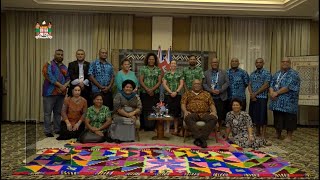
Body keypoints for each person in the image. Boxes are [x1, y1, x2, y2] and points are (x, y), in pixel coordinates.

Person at [269, 57, 300, 142]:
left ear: (290, 63)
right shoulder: (277, 73)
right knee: (278, 117)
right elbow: (271, 84)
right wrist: (271, 92)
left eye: (287, 62)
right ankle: (278, 133)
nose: (285, 63)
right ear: (281, 63)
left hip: (289, 102)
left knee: (289, 119)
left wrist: (276, 93)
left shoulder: (294, 74)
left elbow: (288, 87)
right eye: (283, 61)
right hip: (277, 102)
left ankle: (289, 136)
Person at [181, 79, 218, 148]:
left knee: (213, 118)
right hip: (192, 113)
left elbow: (211, 104)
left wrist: (214, 112)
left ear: (201, 85)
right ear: (192, 85)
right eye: (195, 84)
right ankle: (202, 139)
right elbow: (183, 104)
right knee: (187, 118)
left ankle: (200, 138)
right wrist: (185, 111)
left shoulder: (206, 94)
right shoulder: (187, 94)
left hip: (205, 113)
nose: (197, 85)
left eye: (198, 84)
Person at [42, 49, 70, 137]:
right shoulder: (48, 64)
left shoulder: (65, 67)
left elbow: (68, 78)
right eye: (58, 54)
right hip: (49, 93)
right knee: (48, 113)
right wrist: (60, 86)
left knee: (58, 112)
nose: (60, 56)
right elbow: (49, 77)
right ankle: (47, 131)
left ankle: (57, 129)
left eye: (62, 55)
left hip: (61, 93)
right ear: (54, 55)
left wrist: (64, 86)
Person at [203, 57, 229, 133]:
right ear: (211, 64)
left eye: (216, 62)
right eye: (213, 62)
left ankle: (219, 129)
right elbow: (204, 84)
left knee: (220, 114)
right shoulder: (206, 73)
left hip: (221, 97)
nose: (214, 64)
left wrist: (220, 90)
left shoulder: (224, 72)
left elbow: (227, 83)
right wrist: (211, 90)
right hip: (210, 97)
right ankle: (210, 128)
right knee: (210, 113)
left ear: (218, 63)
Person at [248, 58, 272, 138]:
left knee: (262, 116)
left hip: (262, 97)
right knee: (254, 115)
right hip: (253, 97)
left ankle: (263, 133)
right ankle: (257, 131)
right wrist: (252, 94)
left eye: (260, 62)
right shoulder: (252, 73)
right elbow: (249, 84)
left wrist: (255, 94)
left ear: (263, 63)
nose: (258, 64)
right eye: (257, 62)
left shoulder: (267, 73)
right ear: (255, 64)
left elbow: (266, 85)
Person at [138, 52, 162, 131]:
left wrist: (152, 89)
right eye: (150, 59)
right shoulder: (143, 69)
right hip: (144, 92)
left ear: (155, 60)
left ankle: (154, 127)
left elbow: (159, 81)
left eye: (153, 59)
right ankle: (143, 126)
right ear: (147, 60)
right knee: (144, 109)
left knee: (155, 109)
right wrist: (147, 89)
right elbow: (141, 81)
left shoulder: (158, 69)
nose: (151, 60)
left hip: (155, 93)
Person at [162, 60, 184, 136]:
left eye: (175, 63)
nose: (173, 64)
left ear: (176, 65)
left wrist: (176, 92)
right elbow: (164, 84)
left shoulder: (180, 74)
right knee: (167, 112)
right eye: (172, 63)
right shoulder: (166, 74)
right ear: (170, 65)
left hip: (177, 95)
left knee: (176, 113)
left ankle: (175, 129)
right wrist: (170, 92)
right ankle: (167, 129)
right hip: (168, 95)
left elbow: (181, 84)